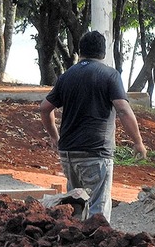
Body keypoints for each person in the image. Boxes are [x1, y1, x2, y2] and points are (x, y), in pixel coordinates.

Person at [40, 30, 147, 223]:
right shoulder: (110, 75)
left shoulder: (66, 76)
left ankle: (72, 245)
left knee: (75, 203)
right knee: (97, 209)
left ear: (80, 51)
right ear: (103, 53)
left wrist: (54, 137)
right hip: (95, 153)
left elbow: (44, 108)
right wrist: (138, 141)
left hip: (68, 153)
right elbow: (122, 109)